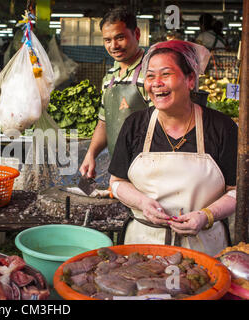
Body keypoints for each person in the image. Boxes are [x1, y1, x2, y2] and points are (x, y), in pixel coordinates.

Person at [108, 40, 237, 256]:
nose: (156, 83)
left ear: (190, 80)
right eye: (150, 76)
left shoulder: (221, 127)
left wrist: (205, 215)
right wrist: (142, 202)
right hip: (142, 247)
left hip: (205, 247)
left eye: (165, 74)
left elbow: (237, 192)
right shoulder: (135, 124)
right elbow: (117, 183)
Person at [79, 7, 151, 179]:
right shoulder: (109, 77)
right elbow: (104, 123)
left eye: (120, 37)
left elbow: (163, 125)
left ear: (137, 34)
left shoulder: (150, 73)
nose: (113, 46)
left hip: (147, 168)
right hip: (119, 166)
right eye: (107, 40)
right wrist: (91, 153)